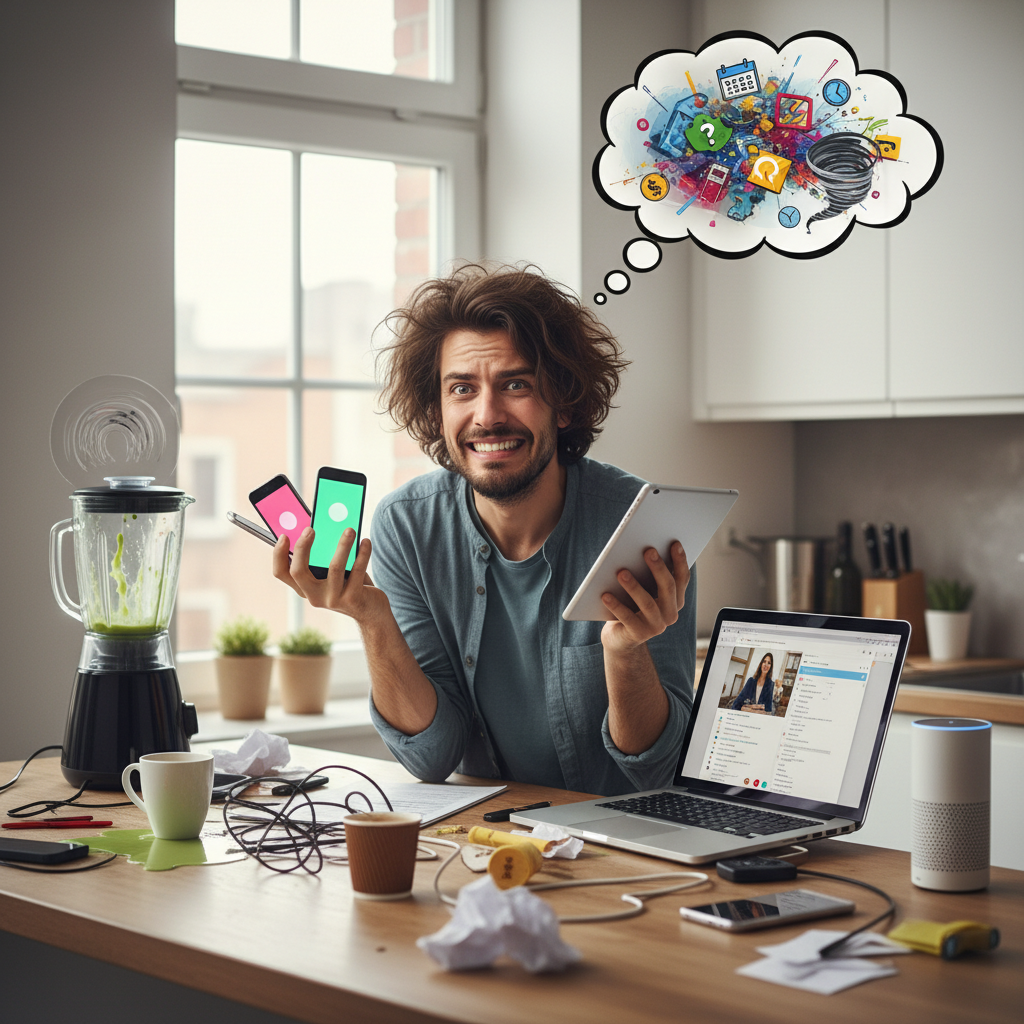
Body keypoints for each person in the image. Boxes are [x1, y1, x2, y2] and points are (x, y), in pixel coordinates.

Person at [273, 263, 696, 796]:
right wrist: (370, 616)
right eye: (462, 389)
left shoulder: (644, 527)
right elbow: (431, 756)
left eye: (515, 384)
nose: (487, 415)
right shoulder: (408, 525)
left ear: (562, 402)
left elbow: (657, 769)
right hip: (485, 836)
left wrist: (625, 652)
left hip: (625, 838)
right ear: (437, 408)